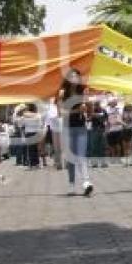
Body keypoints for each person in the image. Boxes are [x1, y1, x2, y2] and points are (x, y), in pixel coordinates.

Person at [58, 69, 93, 197]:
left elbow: (90, 109)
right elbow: (61, 112)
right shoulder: (62, 93)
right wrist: (77, 110)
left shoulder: (83, 91)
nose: (74, 79)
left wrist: (88, 107)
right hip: (67, 128)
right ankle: (71, 184)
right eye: (72, 77)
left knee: (81, 156)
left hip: (80, 127)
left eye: (77, 77)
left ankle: (86, 182)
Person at [22, 103, 43, 169]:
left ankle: (31, 165)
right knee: (36, 149)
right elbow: (40, 124)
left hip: (28, 133)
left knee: (30, 150)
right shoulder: (38, 115)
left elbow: (22, 124)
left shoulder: (25, 115)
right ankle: (37, 164)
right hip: (36, 132)